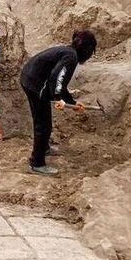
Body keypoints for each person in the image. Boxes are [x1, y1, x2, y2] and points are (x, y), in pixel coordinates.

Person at [20, 30, 97, 176]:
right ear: (86, 49)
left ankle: (44, 147)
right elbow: (58, 77)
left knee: (42, 120)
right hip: (35, 84)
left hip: (29, 79)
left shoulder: (67, 52)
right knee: (43, 124)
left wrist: (71, 102)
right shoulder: (71, 57)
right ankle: (37, 163)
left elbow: (59, 83)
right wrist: (57, 98)